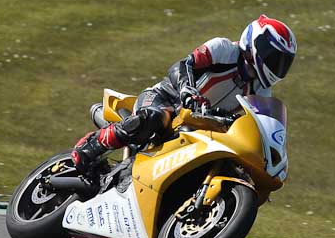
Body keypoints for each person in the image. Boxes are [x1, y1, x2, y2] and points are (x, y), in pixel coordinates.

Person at [71, 14, 297, 174]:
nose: (277, 67)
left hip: (194, 128)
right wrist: (187, 89)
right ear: (257, 44)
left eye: (283, 63)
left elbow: (252, 126)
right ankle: (93, 146)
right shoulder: (224, 49)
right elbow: (182, 65)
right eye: (274, 58)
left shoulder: (262, 91)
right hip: (166, 99)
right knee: (156, 117)